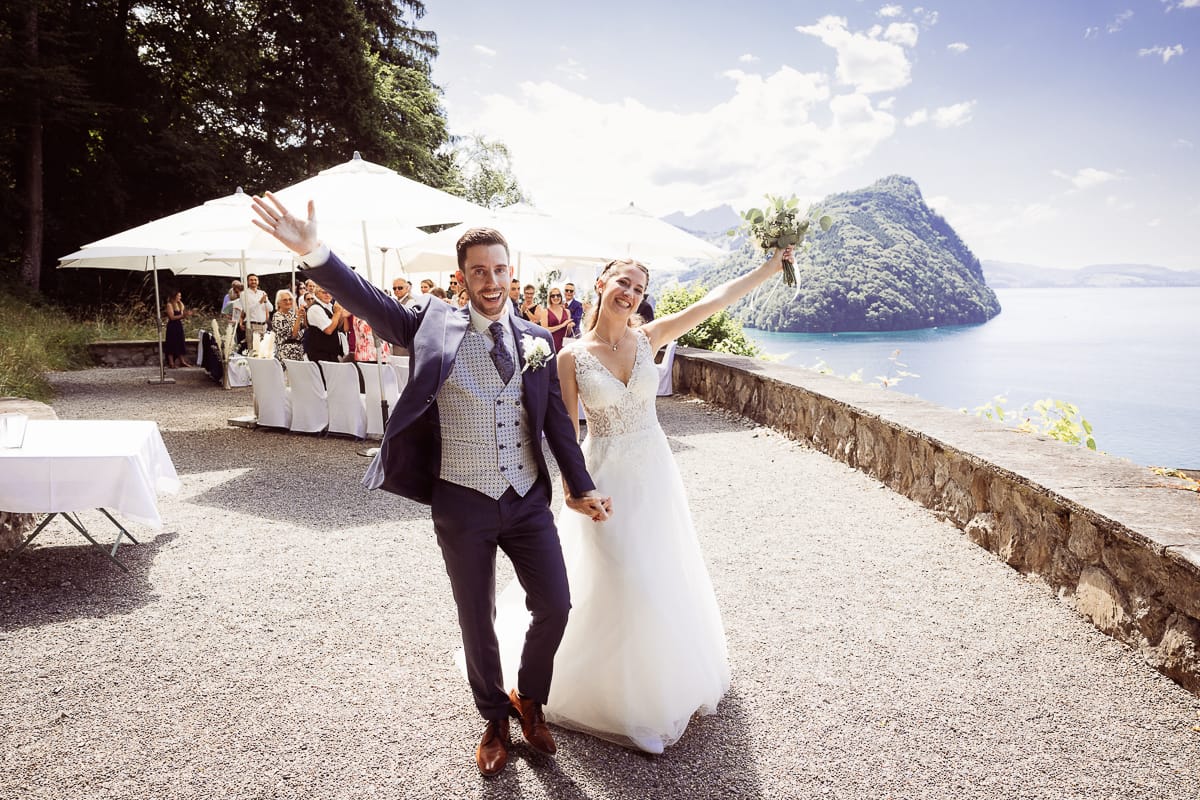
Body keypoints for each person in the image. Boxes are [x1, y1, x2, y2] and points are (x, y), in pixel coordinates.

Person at [251, 193, 613, 777]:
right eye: (478, 272)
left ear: (510, 273)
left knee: (556, 604)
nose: (490, 281)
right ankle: (494, 718)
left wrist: (580, 484)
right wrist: (313, 251)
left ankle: (531, 701)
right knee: (477, 616)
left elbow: (557, 427)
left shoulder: (538, 342)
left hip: (525, 501)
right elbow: (366, 301)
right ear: (461, 277)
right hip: (461, 501)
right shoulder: (429, 324)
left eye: (499, 270)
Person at [492, 247, 793, 754]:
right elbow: (565, 429)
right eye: (622, 283)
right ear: (601, 285)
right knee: (623, 575)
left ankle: (655, 695)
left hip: (654, 473)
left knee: (658, 574)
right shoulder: (569, 357)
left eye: (638, 288)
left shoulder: (648, 337)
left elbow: (711, 303)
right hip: (605, 478)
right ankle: (596, 698)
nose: (630, 293)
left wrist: (768, 270)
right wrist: (573, 488)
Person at [303, 284, 344, 364]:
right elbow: (328, 330)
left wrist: (341, 315)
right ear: (316, 293)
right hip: (321, 356)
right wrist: (337, 313)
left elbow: (337, 326)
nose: (328, 294)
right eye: (324, 292)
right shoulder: (315, 309)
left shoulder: (330, 306)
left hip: (330, 355)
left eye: (330, 292)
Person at [271, 289, 305, 362]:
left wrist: (304, 315)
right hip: (287, 353)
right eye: (285, 300)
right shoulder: (278, 317)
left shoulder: (292, 314)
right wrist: (299, 317)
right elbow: (293, 335)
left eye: (290, 299)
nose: (288, 302)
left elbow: (305, 326)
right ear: (278, 303)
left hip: (299, 351)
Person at [239, 273, 274, 344]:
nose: (253, 281)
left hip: (264, 326)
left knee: (264, 350)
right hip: (253, 326)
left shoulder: (262, 293)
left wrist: (265, 301)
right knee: (254, 351)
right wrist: (259, 302)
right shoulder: (244, 294)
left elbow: (271, 309)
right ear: (247, 282)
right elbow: (246, 310)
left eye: (255, 280)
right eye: (251, 280)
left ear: (258, 281)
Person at [163, 289, 193, 368]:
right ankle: (171, 362)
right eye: (178, 296)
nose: (180, 297)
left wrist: (186, 315)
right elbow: (172, 317)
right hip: (172, 326)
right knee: (171, 343)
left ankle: (182, 361)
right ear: (174, 296)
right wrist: (182, 316)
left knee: (180, 342)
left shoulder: (180, 304)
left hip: (179, 325)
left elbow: (182, 316)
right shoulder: (169, 305)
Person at [543, 286, 574, 352]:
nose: (556, 297)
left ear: (561, 297)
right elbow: (545, 330)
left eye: (558, 295)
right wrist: (562, 325)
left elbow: (568, 333)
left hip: (563, 346)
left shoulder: (567, 312)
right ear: (550, 298)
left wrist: (569, 327)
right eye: (553, 296)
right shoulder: (545, 312)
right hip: (550, 345)